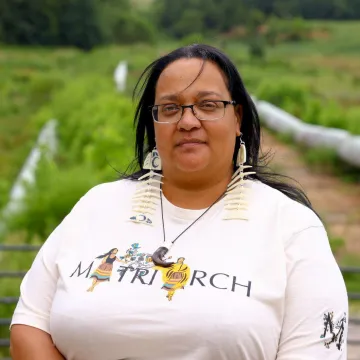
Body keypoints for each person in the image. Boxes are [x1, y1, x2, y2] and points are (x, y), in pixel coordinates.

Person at [10, 44, 348, 360]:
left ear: (238, 119)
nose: (188, 121)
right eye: (170, 108)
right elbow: (30, 324)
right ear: (153, 123)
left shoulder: (291, 227)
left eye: (208, 105)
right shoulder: (97, 205)